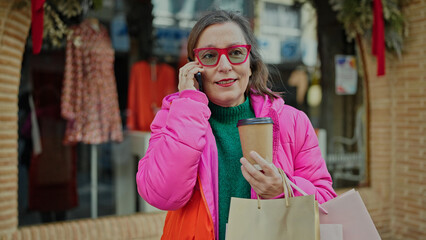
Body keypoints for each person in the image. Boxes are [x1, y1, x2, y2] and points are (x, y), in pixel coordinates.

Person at [136, 10, 336, 240]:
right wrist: (189, 105)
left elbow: (326, 203)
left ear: (250, 64)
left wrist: (284, 189)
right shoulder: (174, 117)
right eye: (210, 56)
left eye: (236, 53)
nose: (224, 65)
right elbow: (161, 195)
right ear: (194, 68)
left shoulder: (293, 122)